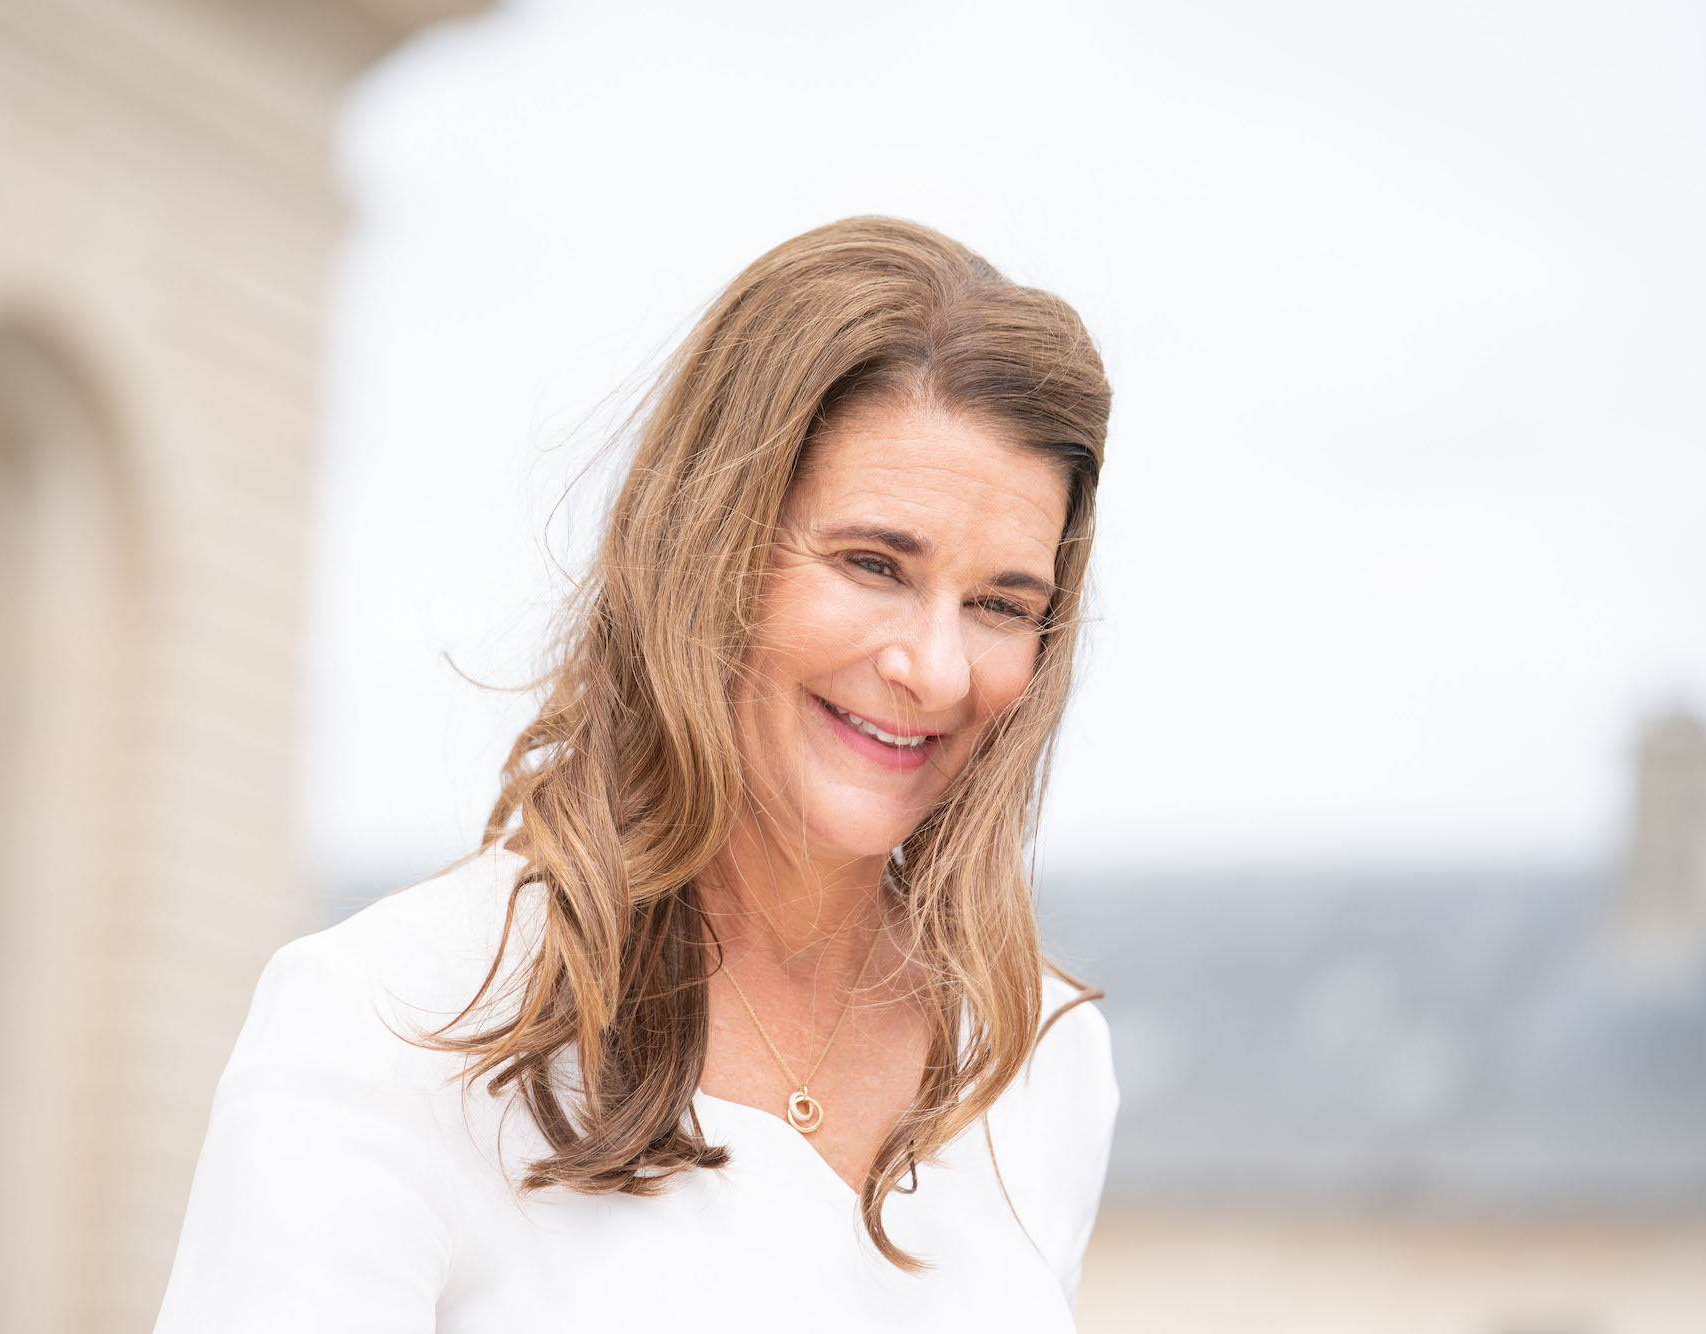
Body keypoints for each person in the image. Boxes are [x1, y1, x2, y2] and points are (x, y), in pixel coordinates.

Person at [153, 216, 1119, 1332]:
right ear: (702, 547)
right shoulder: (395, 1020)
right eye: (870, 563)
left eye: (1000, 603)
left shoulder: (1036, 1056)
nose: (934, 666)